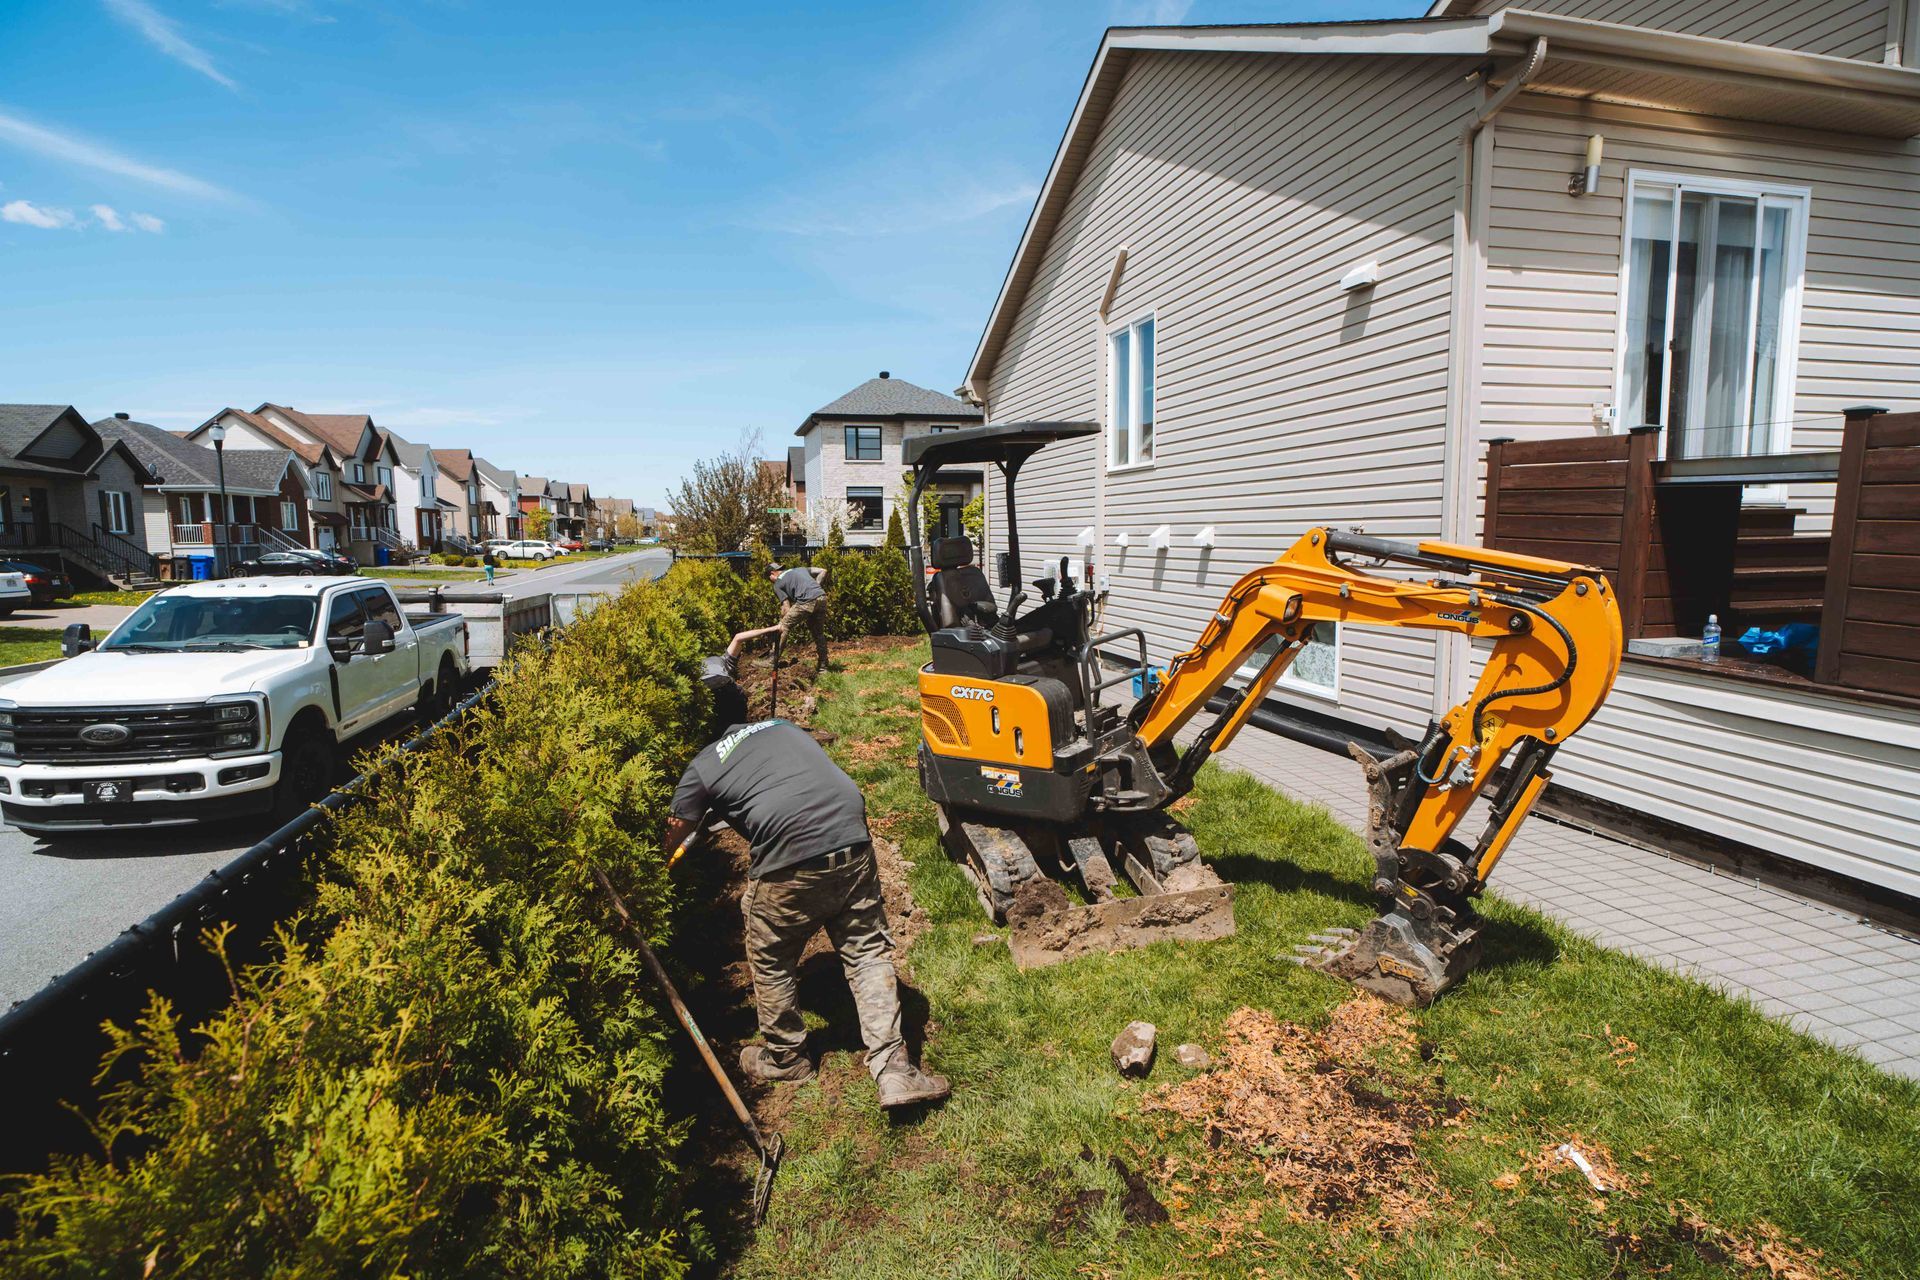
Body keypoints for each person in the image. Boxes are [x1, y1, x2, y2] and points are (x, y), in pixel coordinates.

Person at [665, 658, 950, 1111]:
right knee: (866, 953)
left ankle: (786, 1058)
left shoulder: (702, 766)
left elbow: (678, 830)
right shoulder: (783, 726)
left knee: (771, 956)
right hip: (850, 838)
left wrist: (662, 858)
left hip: (788, 858)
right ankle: (895, 1070)